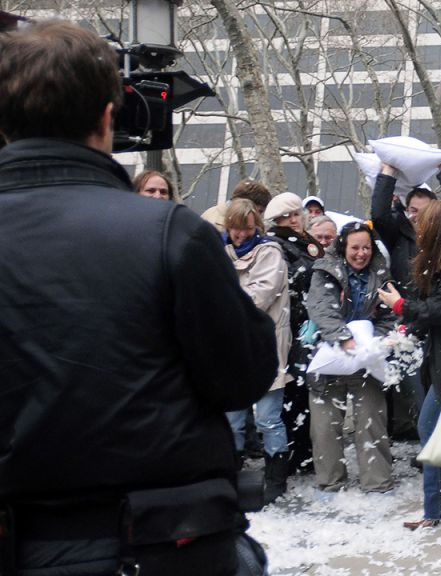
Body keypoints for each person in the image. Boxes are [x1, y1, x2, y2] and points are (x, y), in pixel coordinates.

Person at [0, 20, 276, 575]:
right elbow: (243, 375)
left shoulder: (171, 232)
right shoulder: (170, 232)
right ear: (108, 117)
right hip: (162, 546)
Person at [377, 200, 441, 530]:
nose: (417, 227)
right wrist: (405, 330)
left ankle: (440, 510)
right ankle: (437, 508)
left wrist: (400, 306)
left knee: (436, 430)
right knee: (432, 430)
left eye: (423, 222)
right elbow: (431, 312)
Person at [306, 221, 398, 493]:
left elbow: (390, 314)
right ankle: (330, 482)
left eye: (366, 247)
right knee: (324, 427)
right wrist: (343, 338)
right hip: (329, 355)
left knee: (372, 421)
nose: (361, 253)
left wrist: (376, 342)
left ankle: (378, 483)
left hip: (366, 360)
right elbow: (321, 307)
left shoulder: (382, 274)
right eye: (355, 247)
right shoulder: (324, 271)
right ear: (343, 247)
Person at [223, 199, 293, 503]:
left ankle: (276, 476)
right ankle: (231, 472)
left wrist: (224, 299)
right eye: (236, 229)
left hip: (266, 343)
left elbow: (260, 296)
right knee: (232, 418)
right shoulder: (219, 251)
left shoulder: (270, 253)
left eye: (247, 229)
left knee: (267, 418)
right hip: (232, 343)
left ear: (257, 227)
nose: (240, 235)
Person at [263, 192, 323, 476]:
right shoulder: (276, 246)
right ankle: (296, 453)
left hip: (313, 322)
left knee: (308, 390)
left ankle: (306, 451)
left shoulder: (307, 243)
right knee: (294, 392)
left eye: (295, 214)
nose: (293, 220)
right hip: (293, 325)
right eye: (286, 217)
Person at [201, 178, 273, 232]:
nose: (259, 217)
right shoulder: (216, 225)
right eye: (259, 211)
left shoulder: (212, 215)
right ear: (245, 205)